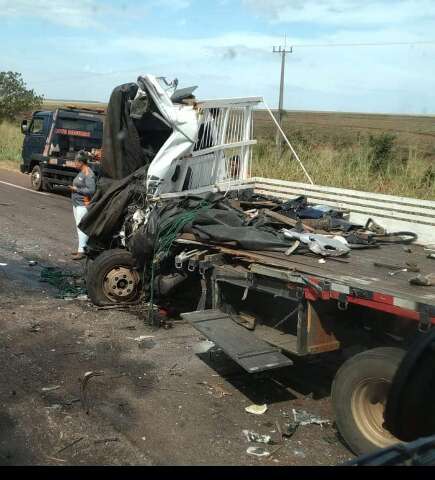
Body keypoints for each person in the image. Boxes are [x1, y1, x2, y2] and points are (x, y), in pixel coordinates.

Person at [69, 150, 96, 260]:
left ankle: (82, 251)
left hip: (83, 205)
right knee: (78, 227)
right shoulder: (81, 172)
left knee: (82, 228)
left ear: (81, 162)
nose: (75, 163)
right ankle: (81, 248)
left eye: (76, 162)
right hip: (76, 204)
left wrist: (77, 189)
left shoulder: (88, 174)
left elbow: (91, 190)